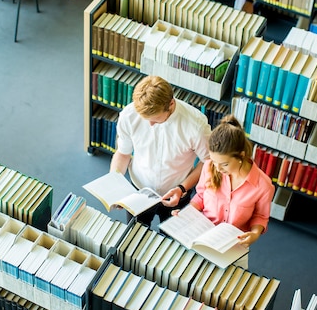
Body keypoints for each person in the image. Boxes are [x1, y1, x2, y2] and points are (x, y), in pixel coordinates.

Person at [110, 75, 211, 226]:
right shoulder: (129, 115)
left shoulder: (196, 125)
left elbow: (207, 162)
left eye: (155, 118)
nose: (150, 124)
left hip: (177, 194)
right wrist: (114, 185)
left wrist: (183, 187)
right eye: (145, 118)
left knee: (171, 243)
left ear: (171, 104)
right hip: (139, 190)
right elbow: (123, 153)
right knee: (134, 238)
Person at [178, 115, 274, 266]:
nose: (217, 168)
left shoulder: (263, 185)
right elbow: (201, 197)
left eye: (224, 164)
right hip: (203, 237)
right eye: (214, 162)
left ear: (241, 156)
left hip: (234, 246)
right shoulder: (209, 167)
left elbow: (260, 216)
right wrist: (187, 213)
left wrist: (255, 234)